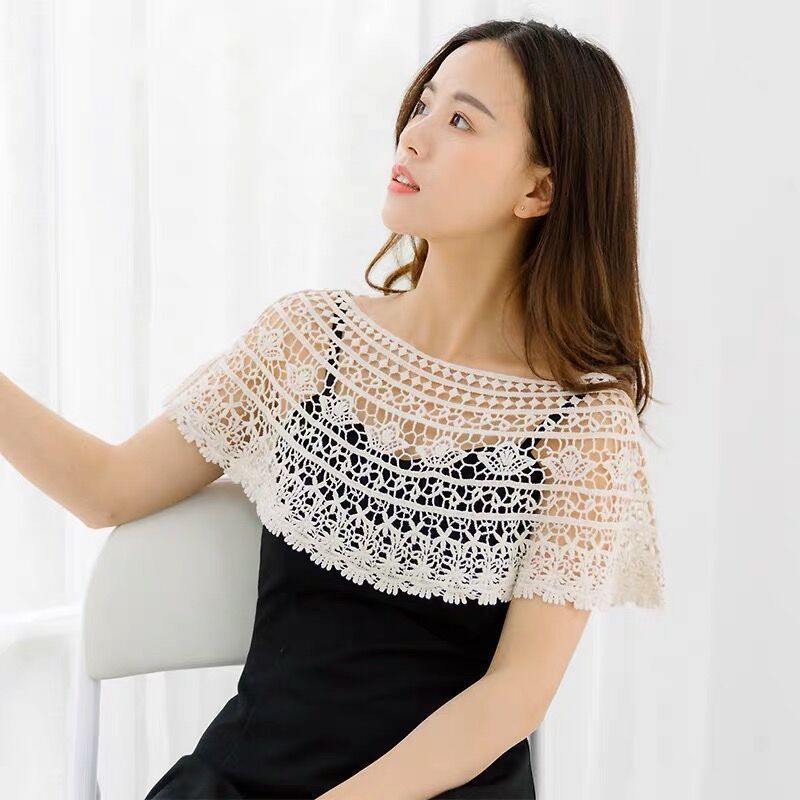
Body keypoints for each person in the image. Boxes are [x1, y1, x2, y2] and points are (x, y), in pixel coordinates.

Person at [0, 17, 666, 800]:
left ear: (539, 189)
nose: (414, 134)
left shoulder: (582, 422)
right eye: (425, 103)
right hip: (247, 778)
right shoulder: (309, 340)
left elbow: (514, 695)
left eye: (461, 120)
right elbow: (108, 487)